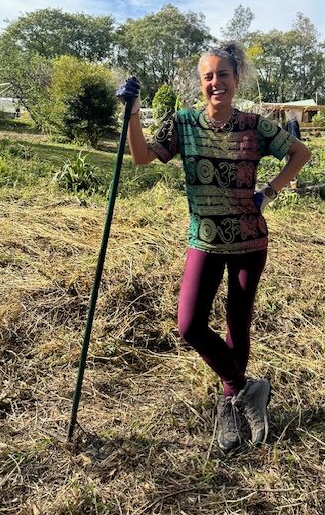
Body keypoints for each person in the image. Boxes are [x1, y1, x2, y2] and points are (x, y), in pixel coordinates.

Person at [117, 42, 311, 452]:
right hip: (203, 239)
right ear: (200, 84)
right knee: (189, 325)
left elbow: (300, 152)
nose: (215, 82)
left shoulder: (255, 126)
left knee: (237, 323)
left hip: (249, 240)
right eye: (208, 76)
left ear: (236, 80)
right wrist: (133, 112)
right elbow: (140, 157)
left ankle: (230, 404)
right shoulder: (184, 123)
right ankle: (246, 389)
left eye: (223, 74)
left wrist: (269, 192)